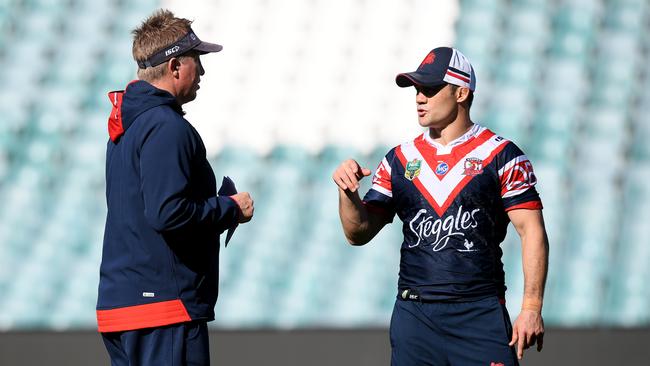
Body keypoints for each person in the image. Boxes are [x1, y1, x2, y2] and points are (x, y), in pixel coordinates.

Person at [333, 47, 548, 365]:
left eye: (430, 89)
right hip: (415, 317)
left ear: (461, 92)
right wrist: (348, 194)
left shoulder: (501, 155)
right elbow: (357, 233)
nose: (420, 97)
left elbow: (532, 231)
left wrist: (531, 307)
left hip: (479, 313)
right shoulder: (398, 160)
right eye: (417, 89)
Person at [96, 9, 254, 366]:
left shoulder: (128, 125)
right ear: (175, 66)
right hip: (162, 309)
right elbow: (168, 213)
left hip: (125, 305)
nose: (203, 71)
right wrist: (229, 208)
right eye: (197, 61)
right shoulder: (166, 126)